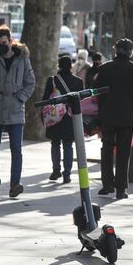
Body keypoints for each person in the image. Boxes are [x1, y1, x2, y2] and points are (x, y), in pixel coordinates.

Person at [0, 24, 36, 198]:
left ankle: (14, 184)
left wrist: (20, 98)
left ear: (11, 41)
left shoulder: (23, 59)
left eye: (4, 42)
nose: (2, 46)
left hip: (16, 109)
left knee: (16, 149)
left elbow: (31, 82)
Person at [95, 38, 133, 199]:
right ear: (131, 52)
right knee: (124, 152)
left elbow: (96, 91)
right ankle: (120, 188)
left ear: (115, 51)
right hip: (127, 118)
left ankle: (107, 185)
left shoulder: (104, 69)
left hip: (108, 117)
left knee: (107, 150)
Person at [43, 56, 84, 184]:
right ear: (71, 66)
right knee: (68, 145)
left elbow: (45, 99)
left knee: (55, 143)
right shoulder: (78, 81)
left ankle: (56, 171)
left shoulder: (52, 80)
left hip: (55, 116)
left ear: (59, 66)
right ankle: (67, 174)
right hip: (71, 117)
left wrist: (43, 117)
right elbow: (81, 100)